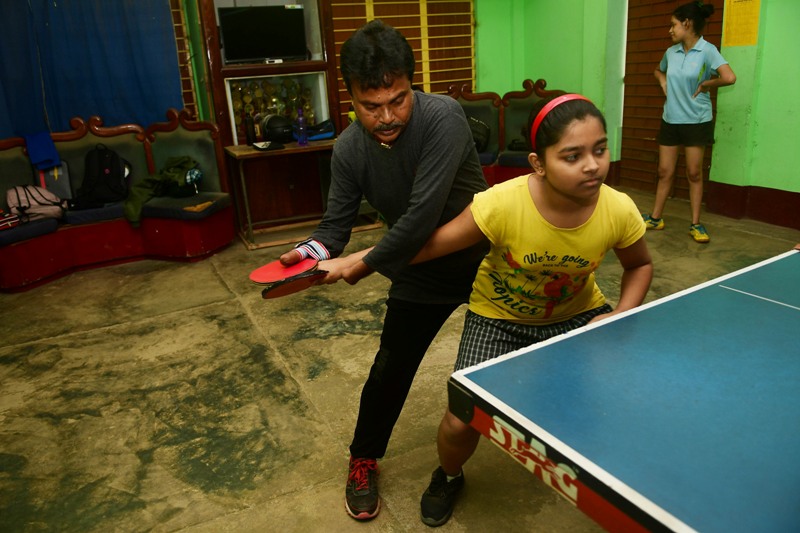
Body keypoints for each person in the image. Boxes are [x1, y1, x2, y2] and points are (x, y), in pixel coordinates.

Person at [408, 94, 654, 526]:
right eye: (572, 156)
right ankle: (448, 476)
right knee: (461, 420)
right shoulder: (502, 203)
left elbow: (640, 265)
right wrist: (361, 259)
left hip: (578, 317)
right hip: (498, 318)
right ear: (538, 164)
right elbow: (428, 246)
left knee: (618, 404)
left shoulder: (618, 208)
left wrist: (620, 314)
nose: (592, 166)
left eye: (600, 149)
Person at [278, 20, 489, 520]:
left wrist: (364, 264)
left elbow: (419, 216)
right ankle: (363, 458)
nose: (388, 116)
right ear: (349, 97)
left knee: (509, 366)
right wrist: (307, 253)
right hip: (417, 268)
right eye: (371, 106)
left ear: (412, 84)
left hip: (486, 259)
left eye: (398, 100)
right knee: (389, 369)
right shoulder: (349, 148)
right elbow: (334, 227)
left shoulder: (443, 117)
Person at [641, 1, 736, 243]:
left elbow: (729, 77)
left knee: (694, 173)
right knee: (664, 171)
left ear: (687, 23)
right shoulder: (670, 52)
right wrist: (662, 80)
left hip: (696, 120)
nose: (670, 30)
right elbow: (658, 70)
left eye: (673, 25)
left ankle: (696, 223)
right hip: (670, 119)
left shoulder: (707, 50)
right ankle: (656, 218)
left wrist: (707, 83)